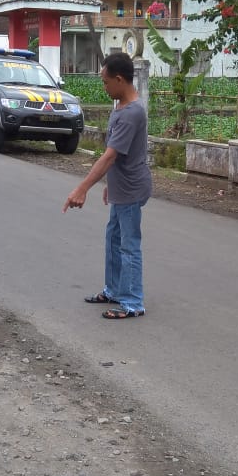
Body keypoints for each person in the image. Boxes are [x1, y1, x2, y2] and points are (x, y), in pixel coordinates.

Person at [62, 52, 152, 320]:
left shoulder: (131, 113)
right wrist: (109, 184)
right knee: (113, 239)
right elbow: (121, 155)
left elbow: (110, 155)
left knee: (129, 245)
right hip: (121, 187)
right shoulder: (121, 108)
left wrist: (83, 188)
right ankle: (113, 290)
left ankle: (133, 302)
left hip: (132, 189)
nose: (104, 87)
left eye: (105, 82)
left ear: (120, 79)